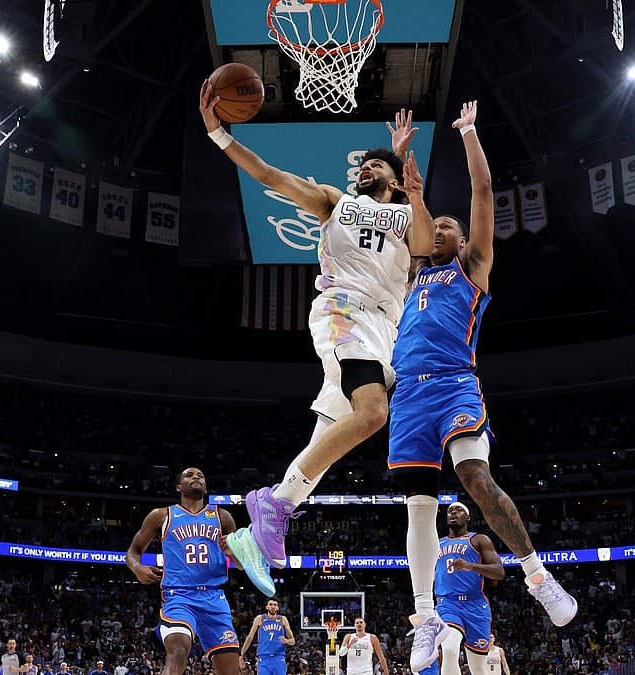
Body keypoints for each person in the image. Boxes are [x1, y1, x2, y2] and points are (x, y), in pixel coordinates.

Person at [199, 82, 435, 586]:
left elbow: (424, 245)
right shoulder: (334, 201)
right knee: (373, 414)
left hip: (384, 328)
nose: (365, 169)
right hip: (342, 311)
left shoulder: (405, 211)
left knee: (326, 438)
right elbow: (270, 175)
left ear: (394, 182)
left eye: (378, 167)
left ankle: (255, 530)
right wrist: (220, 135)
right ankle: (270, 504)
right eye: (364, 166)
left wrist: (409, 183)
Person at [384, 100, 578, 667]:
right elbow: (402, 219)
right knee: (419, 507)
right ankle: (425, 618)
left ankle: (538, 578)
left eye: (448, 225)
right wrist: (404, 176)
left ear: (463, 240)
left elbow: (483, 197)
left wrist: (469, 135)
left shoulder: (472, 268)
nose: (439, 228)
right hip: (409, 396)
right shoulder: (414, 272)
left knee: (475, 477)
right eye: (434, 225)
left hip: (453, 383)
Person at [124, 467, 245, 675]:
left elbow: (242, 564)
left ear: (205, 487)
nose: (196, 477)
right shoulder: (161, 515)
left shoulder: (223, 517)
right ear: (179, 487)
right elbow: (133, 551)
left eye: (200, 475)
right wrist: (137, 567)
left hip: (214, 598)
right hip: (179, 596)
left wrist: (232, 552)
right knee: (179, 648)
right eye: (189, 475)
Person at [416, 502, 505, 674]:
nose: (453, 513)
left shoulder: (478, 539)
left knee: (478, 668)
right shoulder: (436, 544)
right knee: (449, 650)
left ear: (468, 517)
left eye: (459, 510)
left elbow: (499, 572)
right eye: (450, 511)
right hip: (447, 604)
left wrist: (472, 566)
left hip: (475, 605)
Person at [239, 599, 295, 675]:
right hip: (264, 657)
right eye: (271, 604)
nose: (273, 607)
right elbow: (250, 637)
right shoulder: (260, 618)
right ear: (267, 607)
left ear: (278, 608)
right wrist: (242, 654)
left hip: (278, 657)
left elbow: (293, 641)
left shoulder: (282, 619)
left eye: (275, 605)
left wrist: (287, 641)